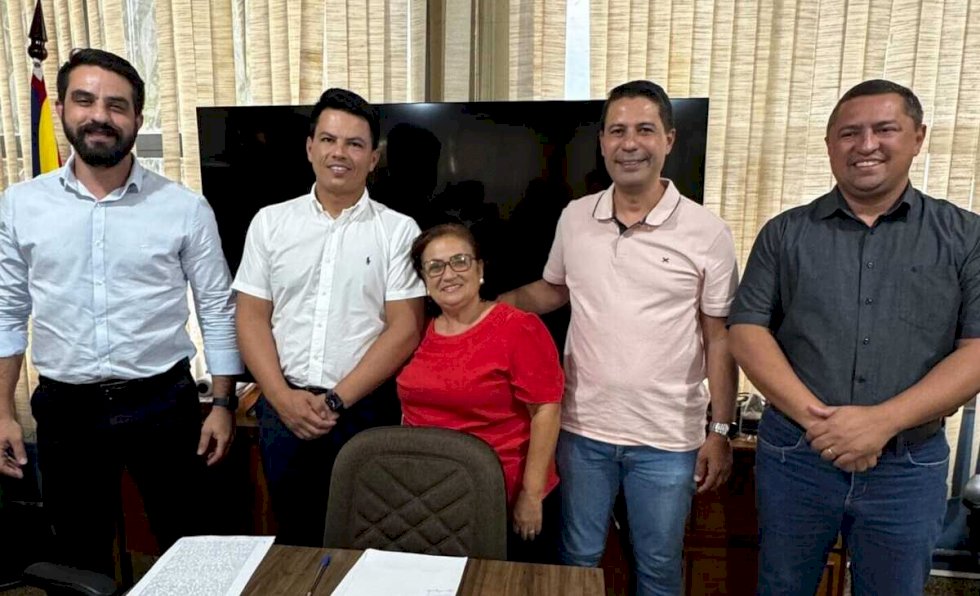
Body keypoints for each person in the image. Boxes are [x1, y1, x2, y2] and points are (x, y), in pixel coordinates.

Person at [728, 79, 980, 595]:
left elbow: (976, 351)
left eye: (885, 129)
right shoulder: (784, 233)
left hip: (908, 464)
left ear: (918, 137)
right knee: (781, 586)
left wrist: (880, 423)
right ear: (829, 145)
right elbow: (748, 330)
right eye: (849, 133)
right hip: (796, 455)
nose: (866, 145)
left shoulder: (966, 236)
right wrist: (822, 426)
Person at [0, 48, 242, 575]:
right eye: (85, 100)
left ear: (137, 116)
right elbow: (7, 314)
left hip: (164, 406)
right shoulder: (20, 206)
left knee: (192, 553)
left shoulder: (184, 208)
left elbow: (217, 308)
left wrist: (223, 402)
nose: (100, 116)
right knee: (78, 560)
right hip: (66, 412)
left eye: (116, 105)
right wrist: (2, 412)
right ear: (61, 108)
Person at [500, 80, 739, 596]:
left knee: (658, 567)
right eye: (617, 131)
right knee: (577, 561)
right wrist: (487, 309)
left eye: (645, 130)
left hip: (667, 440)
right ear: (603, 142)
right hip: (582, 430)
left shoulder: (708, 232)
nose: (630, 143)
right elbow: (554, 290)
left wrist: (720, 430)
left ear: (669, 140)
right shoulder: (575, 217)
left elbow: (718, 336)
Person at [234, 88, 425, 546]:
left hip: (364, 411)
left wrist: (336, 401)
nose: (340, 153)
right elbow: (251, 317)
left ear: (373, 158)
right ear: (310, 147)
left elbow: (405, 328)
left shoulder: (398, 230)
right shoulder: (270, 223)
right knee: (295, 538)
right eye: (328, 140)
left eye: (354, 144)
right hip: (284, 408)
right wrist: (281, 397)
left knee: (369, 539)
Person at [396, 223, 564, 563]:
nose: (448, 274)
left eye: (460, 261)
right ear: (424, 280)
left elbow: (546, 411)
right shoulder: (417, 333)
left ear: (480, 268)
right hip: (429, 497)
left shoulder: (518, 327)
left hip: (501, 497)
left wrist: (531, 496)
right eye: (435, 267)